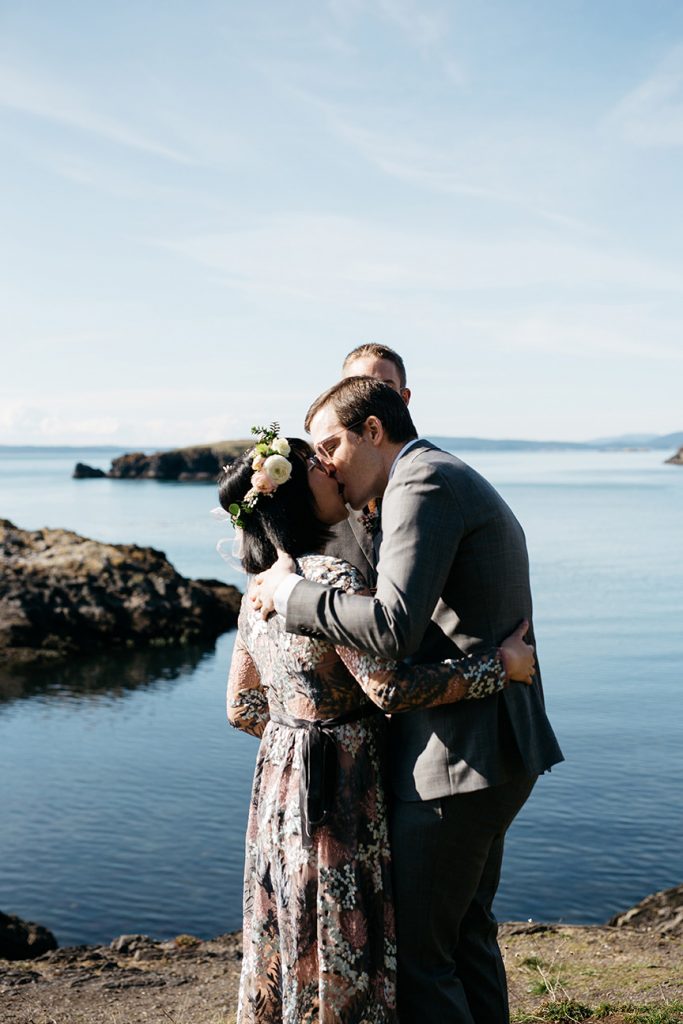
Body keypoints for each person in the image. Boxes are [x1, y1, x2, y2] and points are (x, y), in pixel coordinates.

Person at [250, 382, 564, 1024]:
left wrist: (289, 596)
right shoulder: (426, 479)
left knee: (423, 959)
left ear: (373, 430)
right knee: (464, 938)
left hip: (455, 759)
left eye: (333, 442)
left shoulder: (422, 483)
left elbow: (392, 630)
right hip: (485, 748)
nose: (327, 460)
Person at [325, 343, 410, 587]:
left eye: (383, 388)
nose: (369, 399)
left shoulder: (428, 478)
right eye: (355, 387)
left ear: (404, 399)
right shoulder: (322, 481)